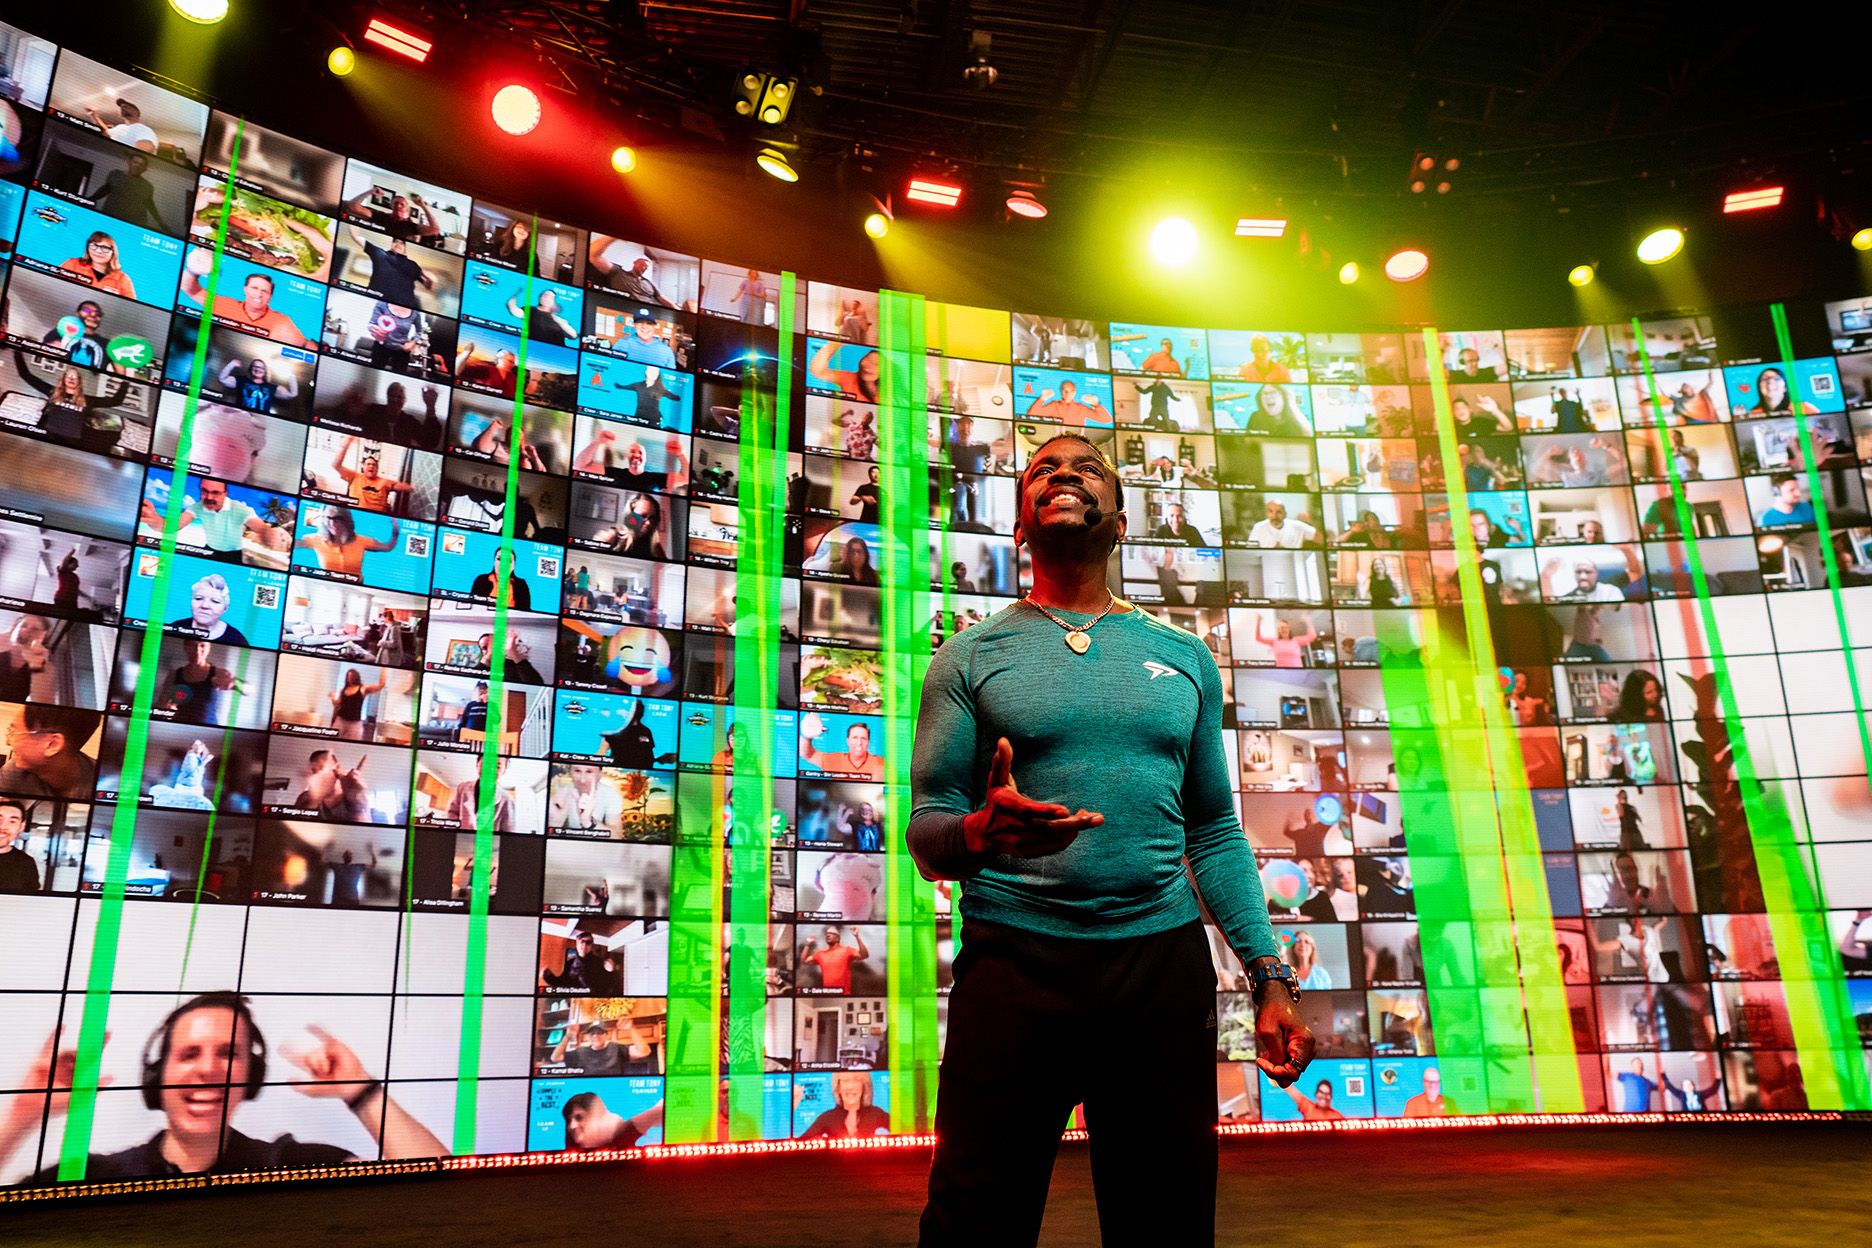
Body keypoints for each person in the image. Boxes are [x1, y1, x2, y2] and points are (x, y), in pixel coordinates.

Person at [909, 432, 1310, 1245]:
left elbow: (1215, 830)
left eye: (1085, 469)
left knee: (1165, 1222)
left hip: (1158, 970)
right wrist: (981, 832)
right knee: (972, 1221)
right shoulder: (968, 657)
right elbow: (928, 829)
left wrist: (1269, 975)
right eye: (1041, 471)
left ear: (1120, 519)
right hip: (1014, 965)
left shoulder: (1184, 657)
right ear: (1019, 526)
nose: (1061, 475)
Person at [7, 992, 446, 1180]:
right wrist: (22, 1114)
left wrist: (362, 1090)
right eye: (189, 1054)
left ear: (248, 1080)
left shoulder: (294, 1164)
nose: (209, 1070)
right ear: (157, 1080)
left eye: (228, 1054)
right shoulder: (91, 1176)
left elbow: (446, 1196)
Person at [143, 477, 289, 561]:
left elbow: (261, 528)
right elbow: (173, 526)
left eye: (215, 493)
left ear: (225, 493)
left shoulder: (239, 509)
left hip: (233, 555)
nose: (209, 497)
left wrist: (270, 535)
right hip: (208, 550)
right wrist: (155, 519)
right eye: (204, 491)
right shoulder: (198, 507)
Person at [12, 347, 130, 449]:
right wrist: (17, 351)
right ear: (63, 379)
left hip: (72, 441)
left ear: (79, 381)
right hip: (47, 435)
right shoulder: (53, 392)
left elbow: (116, 401)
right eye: (69, 376)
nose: (72, 379)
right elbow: (25, 375)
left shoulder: (87, 400)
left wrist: (125, 380)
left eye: (75, 377)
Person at [182, 263, 310, 347]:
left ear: (270, 296)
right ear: (245, 289)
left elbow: (306, 347)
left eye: (264, 291)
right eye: (254, 288)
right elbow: (193, 291)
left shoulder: (282, 322)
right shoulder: (226, 306)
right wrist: (192, 270)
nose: (259, 294)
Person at [0, 704, 99, 800]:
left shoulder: (107, 783)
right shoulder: (15, 772)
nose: (7, 742)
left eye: (13, 732)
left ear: (52, 744)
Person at [345, 220, 436, 308]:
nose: (398, 244)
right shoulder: (380, 253)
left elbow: (429, 285)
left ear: (405, 248)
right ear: (391, 244)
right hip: (375, 301)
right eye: (395, 241)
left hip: (403, 305)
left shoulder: (412, 265)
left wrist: (427, 276)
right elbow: (356, 237)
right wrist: (352, 218)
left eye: (402, 243)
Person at [295, 504, 398, 578]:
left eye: (337, 518)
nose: (332, 523)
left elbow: (388, 547)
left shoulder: (361, 540)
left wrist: (395, 531)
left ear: (346, 520)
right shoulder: (314, 539)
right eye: (328, 518)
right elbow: (291, 544)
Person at [332, 436, 416, 513]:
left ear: (377, 468)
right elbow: (336, 465)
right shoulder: (354, 476)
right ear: (363, 467)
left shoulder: (384, 481)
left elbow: (407, 488)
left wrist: (409, 487)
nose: (371, 466)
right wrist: (347, 442)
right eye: (368, 464)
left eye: (374, 465)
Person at [96, 153, 174, 234]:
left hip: (133, 224)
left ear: (145, 169)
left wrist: (160, 222)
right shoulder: (115, 174)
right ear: (129, 162)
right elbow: (105, 189)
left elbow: (150, 205)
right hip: (110, 218)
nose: (137, 166)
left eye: (141, 165)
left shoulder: (147, 186)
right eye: (135, 162)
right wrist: (89, 200)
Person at [800, 1072, 892, 1139]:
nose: (850, 1087)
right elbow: (801, 1144)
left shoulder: (877, 1115)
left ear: (864, 1087)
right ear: (838, 1087)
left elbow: (905, 1133)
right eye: (845, 1081)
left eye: (856, 1081)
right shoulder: (827, 1118)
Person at [167, 573, 250, 647]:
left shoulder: (237, 639)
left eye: (215, 601)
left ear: (225, 608)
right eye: (198, 598)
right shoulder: (175, 627)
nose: (204, 605)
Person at [561, 1091, 664, 1150]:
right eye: (569, 1120)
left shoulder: (617, 1136)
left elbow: (630, 1128)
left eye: (579, 1117)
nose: (572, 1126)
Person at [344, 188, 443, 247]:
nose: (398, 206)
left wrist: (423, 206)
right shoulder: (380, 216)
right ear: (391, 206)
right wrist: (370, 192)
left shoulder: (411, 226)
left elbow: (435, 230)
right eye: (396, 203)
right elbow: (352, 206)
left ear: (407, 209)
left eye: (402, 204)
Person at [588, 240, 674, 306]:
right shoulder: (618, 272)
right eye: (642, 264)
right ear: (634, 262)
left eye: (646, 267)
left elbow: (663, 300)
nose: (644, 268)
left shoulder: (649, 282)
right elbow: (593, 255)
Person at [800, 713, 884, 779]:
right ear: (848, 741)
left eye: (863, 738)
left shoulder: (881, 763)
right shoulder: (835, 760)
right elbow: (809, 755)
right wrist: (806, 737)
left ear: (868, 742)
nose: (859, 742)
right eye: (855, 738)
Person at [58, 230, 136, 298]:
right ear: (87, 248)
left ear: (113, 252)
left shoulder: (123, 279)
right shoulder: (72, 264)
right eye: (94, 246)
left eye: (105, 248)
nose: (98, 251)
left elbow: (132, 307)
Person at [550, 763, 624, 834]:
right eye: (577, 771)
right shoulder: (561, 793)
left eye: (589, 771)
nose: (582, 780)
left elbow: (617, 836)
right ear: (570, 773)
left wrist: (589, 822)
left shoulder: (611, 794)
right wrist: (554, 824)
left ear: (600, 775)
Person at [41, 299, 111, 371]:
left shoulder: (108, 344)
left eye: (97, 314)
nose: (93, 315)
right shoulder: (60, 331)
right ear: (77, 314)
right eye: (87, 311)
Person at [798, 925, 870, 993]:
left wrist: (857, 937)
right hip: (828, 994)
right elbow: (804, 960)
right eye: (827, 934)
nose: (828, 935)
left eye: (831, 933)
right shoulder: (820, 954)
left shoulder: (847, 950)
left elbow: (864, 955)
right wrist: (808, 944)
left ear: (838, 938)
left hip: (844, 993)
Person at [218, 357, 298, 415]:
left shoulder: (272, 388)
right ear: (250, 369)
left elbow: (292, 394)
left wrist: (291, 375)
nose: (258, 369)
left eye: (261, 368)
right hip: (240, 419)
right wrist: (231, 364)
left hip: (259, 423)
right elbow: (222, 379)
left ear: (265, 371)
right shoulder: (242, 380)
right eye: (255, 367)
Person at [809, 340, 880, 402]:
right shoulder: (850, 378)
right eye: (867, 359)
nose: (867, 366)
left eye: (876, 364)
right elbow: (818, 371)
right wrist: (835, 344)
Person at [505, 288, 577, 348]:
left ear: (554, 302)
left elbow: (573, 335)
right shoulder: (530, 310)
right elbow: (513, 309)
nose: (547, 298)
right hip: (535, 348)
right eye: (545, 295)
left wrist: (560, 322)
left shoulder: (559, 319)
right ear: (540, 298)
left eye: (551, 297)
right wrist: (516, 294)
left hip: (557, 351)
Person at [329, 668, 387, 740]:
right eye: (348, 676)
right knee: (333, 739)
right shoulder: (343, 690)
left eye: (351, 676)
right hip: (341, 720)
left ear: (356, 677)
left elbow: (381, 685)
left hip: (355, 723)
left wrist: (383, 669)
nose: (349, 678)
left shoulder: (363, 688)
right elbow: (337, 704)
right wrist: (332, 698)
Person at [85, 98, 157, 151]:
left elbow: (142, 153)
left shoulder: (144, 130)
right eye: (121, 107)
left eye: (127, 107)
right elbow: (105, 131)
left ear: (137, 112)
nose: (123, 108)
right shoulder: (119, 127)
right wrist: (94, 115)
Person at [0, 799, 40, 892]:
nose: (3, 826)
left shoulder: (26, 863)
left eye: (12, 821)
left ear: (21, 827)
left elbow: (30, 901)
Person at [1747, 366, 1816, 416]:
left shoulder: (1804, 409)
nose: (1770, 381)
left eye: (1777, 379)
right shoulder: (1751, 415)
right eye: (1765, 379)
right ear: (1759, 387)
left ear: (1785, 387)